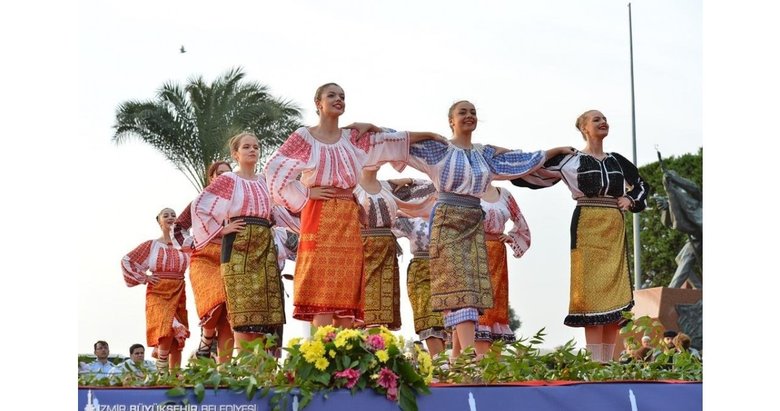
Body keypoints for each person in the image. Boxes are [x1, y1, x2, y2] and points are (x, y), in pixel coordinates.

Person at [395, 99, 574, 358]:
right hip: (447, 220)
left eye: (473, 112)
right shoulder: (440, 150)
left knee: (472, 296)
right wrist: (425, 136)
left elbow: (520, 159)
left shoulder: (484, 155)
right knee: (460, 291)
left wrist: (551, 151)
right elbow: (397, 143)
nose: (469, 116)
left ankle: (460, 360)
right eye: (462, 112)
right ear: (451, 121)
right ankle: (469, 360)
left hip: (473, 223)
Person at [264, 82, 445, 329]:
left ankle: (346, 354)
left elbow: (391, 142)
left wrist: (428, 134)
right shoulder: (305, 137)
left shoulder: (352, 138)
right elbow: (274, 170)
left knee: (347, 284)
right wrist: (305, 195)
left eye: (342, 96)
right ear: (318, 103)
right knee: (322, 285)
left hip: (349, 215)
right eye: (332, 95)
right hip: (320, 212)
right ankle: (322, 356)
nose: (338, 99)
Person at [511, 109, 649, 363]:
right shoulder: (570, 160)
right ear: (584, 127)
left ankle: (609, 363)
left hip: (614, 226)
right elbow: (528, 173)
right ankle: (596, 362)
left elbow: (642, 186)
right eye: (596, 119)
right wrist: (554, 151)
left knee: (615, 294)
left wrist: (630, 199)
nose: (603, 122)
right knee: (590, 294)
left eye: (605, 118)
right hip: (586, 224)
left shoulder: (617, 161)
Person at [191, 132, 293, 354]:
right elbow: (200, 207)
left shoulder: (266, 181)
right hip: (238, 247)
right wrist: (221, 229)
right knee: (243, 311)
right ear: (235, 154)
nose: (253, 150)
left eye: (256, 146)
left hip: (264, 248)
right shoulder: (229, 180)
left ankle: (264, 372)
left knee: (267, 313)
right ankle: (245, 370)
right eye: (246, 147)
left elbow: (280, 210)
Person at [354, 170, 437, 330]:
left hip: (386, 249)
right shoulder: (351, 187)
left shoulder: (389, 187)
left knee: (382, 307)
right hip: (360, 247)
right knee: (359, 304)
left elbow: (434, 188)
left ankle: (377, 349)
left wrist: (408, 179)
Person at [171, 161, 235, 363]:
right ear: (212, 178)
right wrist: (196, 242)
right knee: (215, 301)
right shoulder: (200, 202)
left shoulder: (240, 200)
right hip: (204, 258)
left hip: (232, 257)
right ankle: (207, 340)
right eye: (221, 174)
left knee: (229, 314)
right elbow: (178, 227)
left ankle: (224, 370)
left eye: (229, 174)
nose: (225, 178)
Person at [121, 208, 191, 373]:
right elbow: (127, 261)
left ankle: (174, 376)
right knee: (164, 330)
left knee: (176, 336)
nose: (170, 217)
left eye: (173, 214)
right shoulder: (152, 245)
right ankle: (161, 372)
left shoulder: (186, 244)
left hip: (179, 289)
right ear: (159, 221)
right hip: (158, 290)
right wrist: (145, 278)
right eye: (165, 215)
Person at [474, 182, 531, 356]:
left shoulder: (504, 194)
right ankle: (477, 361)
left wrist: (510, 237)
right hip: (474, 251)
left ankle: (493, 366)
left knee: (496, 304)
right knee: (478, 304)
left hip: (498, 254)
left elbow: (521, 222)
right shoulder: (468, 190)